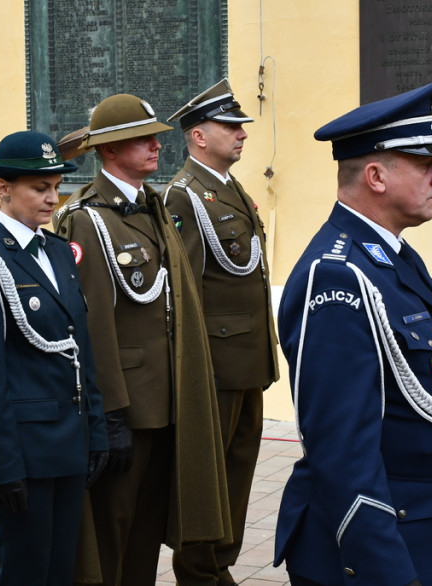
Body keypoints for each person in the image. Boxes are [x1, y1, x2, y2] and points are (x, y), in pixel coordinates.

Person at [273, 83, 432, 586]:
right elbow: (342, 454)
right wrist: (387, 573)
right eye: (425, 164)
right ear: (375, 176)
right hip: (401, 547)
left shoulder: (391, 255)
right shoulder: (337, 276)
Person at [53, 93, 230, 586]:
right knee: (112, 536)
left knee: (146, 539)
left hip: (168, 402)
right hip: (128, 408)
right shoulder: (86, 219)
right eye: (141, 139)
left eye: (154, 137)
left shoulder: (152, 207)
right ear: (109, 151)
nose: (156, 146)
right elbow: (91, 323)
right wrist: (108, 411)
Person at [0, 131, 108, 585]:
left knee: (61, 570)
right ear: (3, 189)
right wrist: (2, 468)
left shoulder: (60, 253)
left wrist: (96, 431)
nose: (52, 198)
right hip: (23, 453)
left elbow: (81, 348)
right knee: (25, 572)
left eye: (56, 186)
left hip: (67, 443)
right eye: (39, 188)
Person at [163, 80, 278, 586]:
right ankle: (200, 568)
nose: (241, 135)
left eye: (240, 127)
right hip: (213, 361)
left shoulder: (232, 192)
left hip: (246, 358)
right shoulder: (183, 197)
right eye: (230, 127)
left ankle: (223, 562)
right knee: (207, 476)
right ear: (198, 136)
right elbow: (185, 292)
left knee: (239, 468)